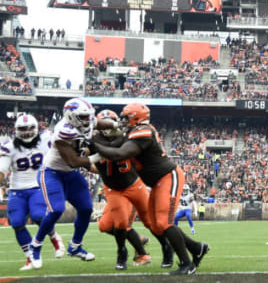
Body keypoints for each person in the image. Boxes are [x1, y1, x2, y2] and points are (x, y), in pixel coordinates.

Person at [91, 103, 209, 275]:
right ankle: (197, 248)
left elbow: (120, 153)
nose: (123, 120)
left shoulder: (143, 131)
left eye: (126, 117)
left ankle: (187, 264)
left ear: (136, 117)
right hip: (157, 182)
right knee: (157, 226)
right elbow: (113, 143)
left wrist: (93, 146)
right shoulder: (132, 132)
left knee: (164, 223)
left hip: (168, 176)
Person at [30, 98, 113, 269]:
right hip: (52, 173)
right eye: (82, 116)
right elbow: (74, 161)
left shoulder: (87, 121)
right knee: (56, 210)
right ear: (71, 116)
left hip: (70, 174)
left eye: (88, 116)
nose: (87, 120)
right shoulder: (63, 131)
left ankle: (75, 246)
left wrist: (117, 126)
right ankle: (35, 245)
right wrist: (102, 154)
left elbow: (102, 123)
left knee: (86, 209)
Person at [0, 114, 65, 271]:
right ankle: (30, 257)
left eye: (29, 129)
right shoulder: (9, 146)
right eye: (22, 129)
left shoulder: (46, 139)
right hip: (17, 189)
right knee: (16, 222)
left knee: (38, 216)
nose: (27, 132)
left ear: (36, 129)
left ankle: (54, 237)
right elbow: (2, 169)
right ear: (16, 130)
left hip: (38, 185)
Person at [91, 109, 153, 270]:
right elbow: (100, 166)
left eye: (109, 123)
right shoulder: (95, 140)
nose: (106, 128)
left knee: (125, 225)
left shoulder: (126, 139)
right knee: (104, 225)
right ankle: (137, 238)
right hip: (112, 188)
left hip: (130, 186)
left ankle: (143, 254)